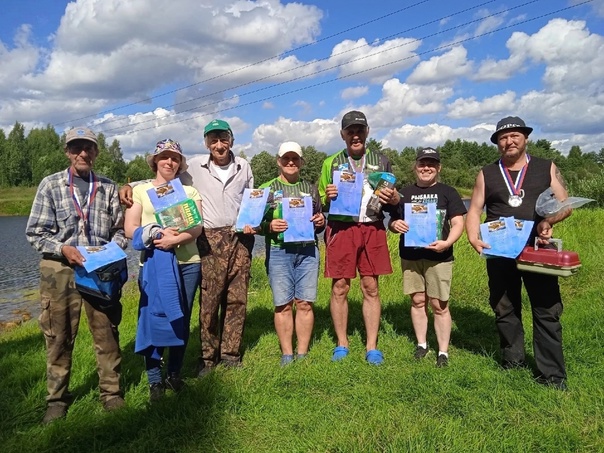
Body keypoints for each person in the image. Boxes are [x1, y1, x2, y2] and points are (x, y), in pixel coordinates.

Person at [120, 119, 254, 376]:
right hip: (209, 239)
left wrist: (253, 221)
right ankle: (207, 359)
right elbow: (158, 180)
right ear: (206, 143)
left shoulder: (244, 166)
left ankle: (231, 355)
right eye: (213, 140)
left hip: (239, 238)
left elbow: (251, 198)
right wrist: (130, 185)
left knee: (237, 299)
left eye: (223, 138)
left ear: (231, 140)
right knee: (209, 302)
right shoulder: (193, 167)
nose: (218, 144)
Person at [25, 127, 127, 423]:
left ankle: (111, 393)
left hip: (99, 269)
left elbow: (120, 230)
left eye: (89, 148)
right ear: (67, 151)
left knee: (106, 331)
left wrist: (108, 252)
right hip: (59, 268)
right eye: (76, 148)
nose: (83, 153)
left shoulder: (108, 186)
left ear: (96, 152)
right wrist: (64, 248)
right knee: (58, 335)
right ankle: (57, 399)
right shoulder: (51, 185)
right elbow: (35, 234)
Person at [466, 116, 572, 390]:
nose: (509, 141)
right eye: (503, 137)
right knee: (504, 307)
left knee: (546, 309)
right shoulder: (487, 173)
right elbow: (475, 209)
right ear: (497, 143)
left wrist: (548, 220)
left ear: (525, 138)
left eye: (514, 135)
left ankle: (552, 376)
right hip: (499, 250)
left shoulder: (545, 168)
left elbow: (565, 203)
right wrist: (473, 237)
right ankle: (513, 363)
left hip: (537, 249)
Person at [318, 110, 400, 365]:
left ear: (367, 132)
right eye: (350, 131)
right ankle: (342, 343)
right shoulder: (330, 162)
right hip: (342, 228)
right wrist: (327, 196)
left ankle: (371, 346)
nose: (355, 135)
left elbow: (392, 201)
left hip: (372, 227)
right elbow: (318, 202)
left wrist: (395, 199)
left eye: (359, 130)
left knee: (371, 287)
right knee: (340, 287)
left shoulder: (381, 161)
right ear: (342, 134)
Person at [124, 139, 202, 401]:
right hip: (154, 265)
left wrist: (175, 240)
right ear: (155, 161)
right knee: (153, 317)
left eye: (175, 158)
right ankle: (154, 380)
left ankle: (174, 374)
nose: (169, 162)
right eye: (164, 157)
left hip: (188, 263)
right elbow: (130, 227)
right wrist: (156, 233)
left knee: (181, 320)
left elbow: (197, 228)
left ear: (180, 163)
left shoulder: (189, 192)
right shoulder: (141, 191)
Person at [389, 148, 466, 367]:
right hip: (411, 256)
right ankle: (422, 344)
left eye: (431, 164)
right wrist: (395, 225)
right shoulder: (403, 194)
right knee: (417, 300)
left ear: (438, 168)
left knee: (439, 304)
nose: (426, 168)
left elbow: (458, 223)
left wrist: (447, 243)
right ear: (415, 166)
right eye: (422, 163)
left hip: (439, 256)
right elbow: (392, 222)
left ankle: (443, 352)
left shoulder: (448, 192)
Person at [259, 141, 325, 366]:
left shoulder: (311, 188)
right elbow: (253, 223)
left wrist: (320, 221)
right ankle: (287, 354)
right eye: (286, 158)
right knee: (283, 304)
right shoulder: (266, 188)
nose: (290, 162)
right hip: (279, 251)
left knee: (305, 302)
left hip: (307, 250)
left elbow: (319, 220)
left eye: (295, 158)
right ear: (278, 161)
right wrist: (269, 226)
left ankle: (303, 353)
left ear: (301, 162)